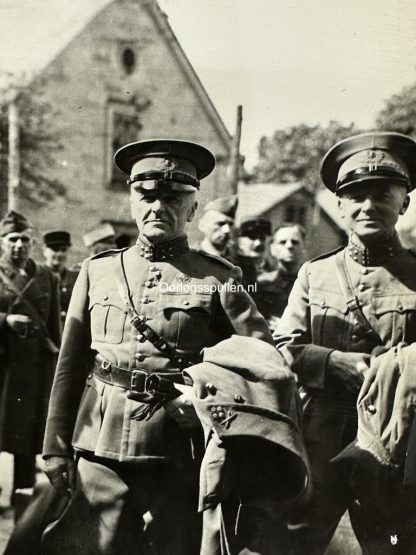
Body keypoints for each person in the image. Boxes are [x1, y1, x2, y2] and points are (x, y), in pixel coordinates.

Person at [41, 139, 273, 555]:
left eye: (172, 198)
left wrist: (202, 397)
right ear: (132, 200)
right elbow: (70, 365)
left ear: (193, 209)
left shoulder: (219, 277)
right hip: (101, 442)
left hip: (179, 449)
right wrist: (55, 447)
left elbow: (262, 362)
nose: (157, 208)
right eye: (147, 196)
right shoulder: (98, 270)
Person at [274, 131, 416, 555]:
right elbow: (286, 345)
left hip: (398, 437)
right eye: (354, 195)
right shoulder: (314, 274)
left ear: (404, 203)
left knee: (393, 543)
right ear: (339, 205)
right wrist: (332, 361)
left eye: (381, 194)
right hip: (320, 434)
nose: (367, 205)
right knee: (298, 541)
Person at [0, 211, 61, 499]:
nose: (18, 246)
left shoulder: (45, 276)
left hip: (34, 366)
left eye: (24, 240)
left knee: (26, 430)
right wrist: (4, 321)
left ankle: (21, 490)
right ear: (2, 242)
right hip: (4, 362)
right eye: (12, 239)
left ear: (32, 242)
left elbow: (54, 327)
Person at [256, 223, 305, 331]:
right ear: (272, 249)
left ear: (303, 247)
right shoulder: (261, 283)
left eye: (295, 242)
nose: (289, 246)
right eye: (282, 242)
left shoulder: (311, 284)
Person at [42, 230, 78, 327]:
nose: (59, 254)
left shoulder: (76, 278)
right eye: (55, 249)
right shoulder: (37, 276)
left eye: (63, 250)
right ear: (44, 250)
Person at [235, 216, 272, 292]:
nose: (258, 243)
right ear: (239, 241)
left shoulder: (270, 268)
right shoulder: (233, 267)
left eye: (262, 238)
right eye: (252, 237)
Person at [198, 195, 238, 259]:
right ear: (202, 225)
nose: (227, 230)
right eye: (220, 224)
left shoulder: (240, 262)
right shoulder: (189, 258)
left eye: (230, 224)